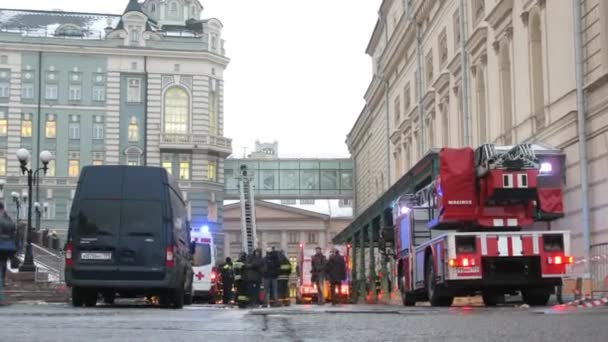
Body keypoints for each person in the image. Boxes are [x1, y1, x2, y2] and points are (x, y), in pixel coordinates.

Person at [0, 203, 16, 306]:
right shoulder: (9, 219)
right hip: (7, 248)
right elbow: (14, 230)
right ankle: (1, 298)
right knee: (2, 268)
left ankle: (1, 298)